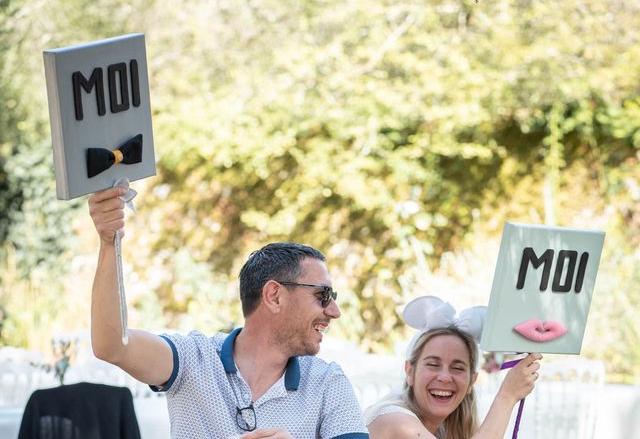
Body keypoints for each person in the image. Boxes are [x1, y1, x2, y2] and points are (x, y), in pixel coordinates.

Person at [88, 186, 369, 439]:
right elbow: (112, 345)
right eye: (323, 295)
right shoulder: (192, 361)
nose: (335, 311)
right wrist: (109, 242)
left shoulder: (327, 381)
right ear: (274, 296)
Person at [365, 296, 542, 439]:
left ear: (472, 380)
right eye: (433, 365)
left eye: (457, 368)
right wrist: (506, 397)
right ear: (409, 371)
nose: (444, 377)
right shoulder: (394, 420)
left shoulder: (446, 431)